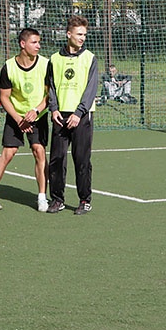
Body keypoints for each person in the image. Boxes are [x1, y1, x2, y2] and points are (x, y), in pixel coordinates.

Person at [0, 28, 50, 212]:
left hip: (38, 115)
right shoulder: (9, 67)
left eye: (39, 42)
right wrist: (19, 119)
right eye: (34, 42)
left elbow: (50, 95)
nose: (38, 46)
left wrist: (35, 111)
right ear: (23, 44)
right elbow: (4, 97)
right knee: (8, 153)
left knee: (39, 151)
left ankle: (42, 197)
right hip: (15, 116)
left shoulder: (45, 64)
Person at [46, 15, 99, 215]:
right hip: (60, 115)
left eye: (84, 35)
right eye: (79, 34)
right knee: (57, 159)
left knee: (82, 159)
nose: (82, 38)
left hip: (82, 116)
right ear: (68, 34)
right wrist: (54, 109)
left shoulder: (90, 58)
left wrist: (79, 112)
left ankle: (85, 200)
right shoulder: (54, 58)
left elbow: (91, 89)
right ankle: (57, 199)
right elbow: (51, 86)